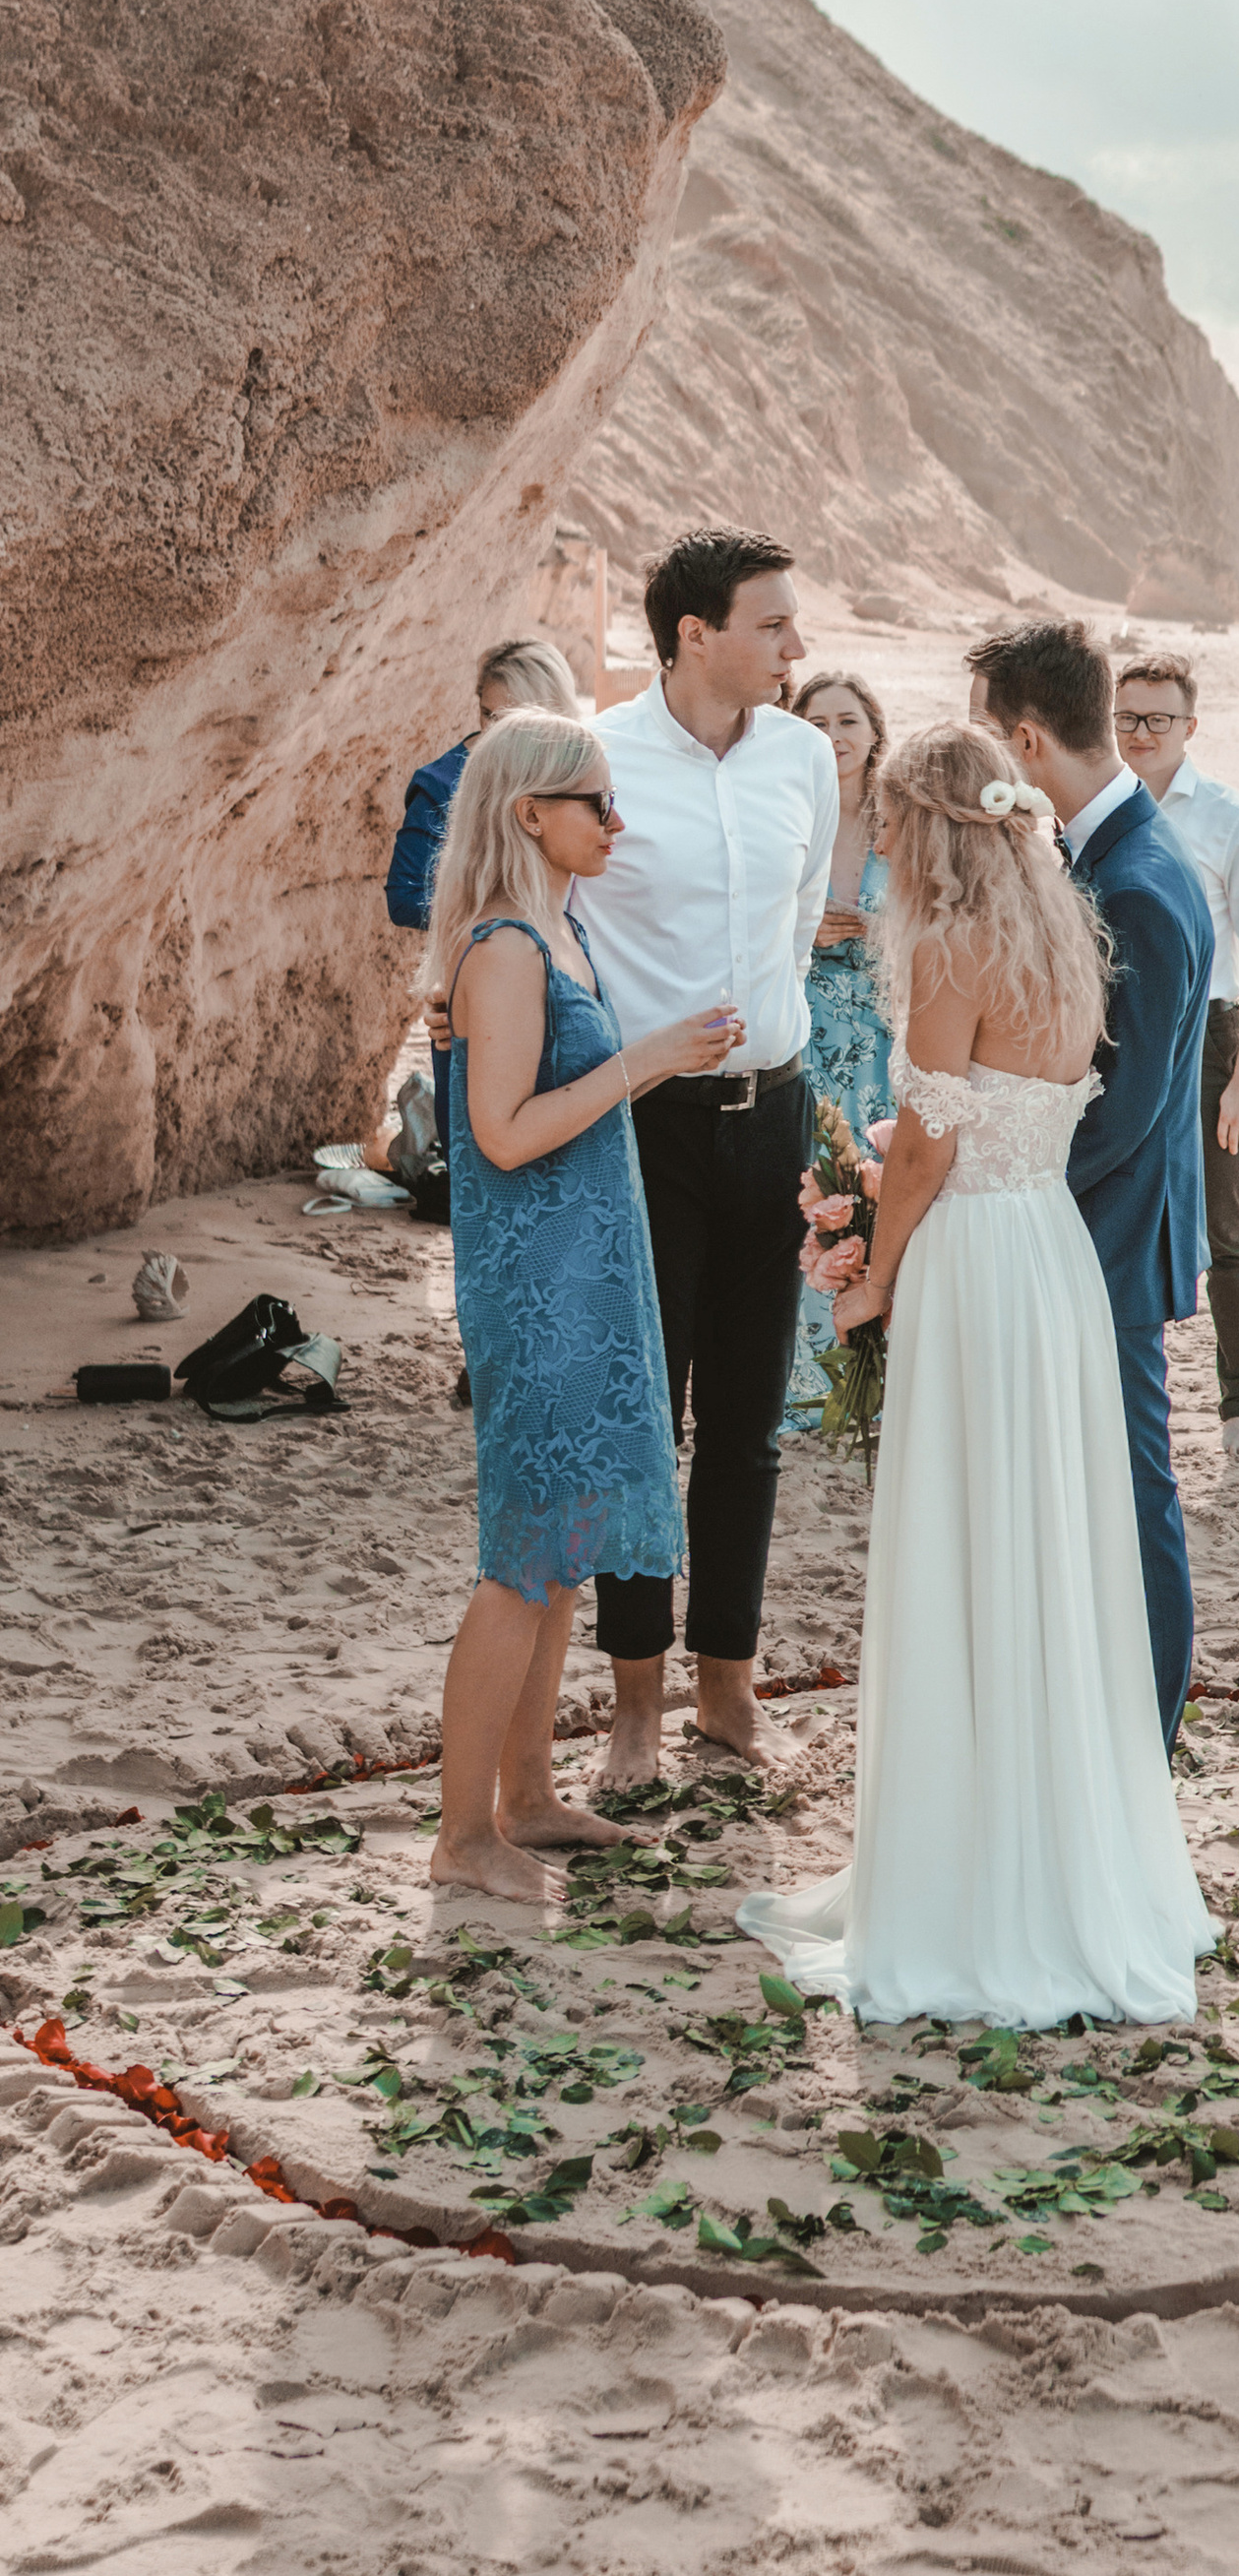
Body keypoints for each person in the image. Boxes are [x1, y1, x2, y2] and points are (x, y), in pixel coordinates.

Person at [737, 723, 1212, 2024]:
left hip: (973, 1269)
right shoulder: (1064, 933)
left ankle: (970, 1890)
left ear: (932, 825)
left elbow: (934, 1150)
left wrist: (871, 1272)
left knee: (966, 1546)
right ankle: (1062, 1857)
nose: (876, 839)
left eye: (888, 817)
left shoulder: (951, 946)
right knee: (1043, 1550)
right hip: (1049, 1258)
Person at [427, 710, 738, 1904]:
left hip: (591, 1273)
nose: (619, 823)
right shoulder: (507, 947)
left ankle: (530, 1797)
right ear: (529, 816)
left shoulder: (556, 932)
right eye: (596, 805)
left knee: (565, 1552)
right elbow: (502, 1136)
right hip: (539, 1287)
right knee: (522, 1558)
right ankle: (463, 1838)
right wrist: (647, 1060)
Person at [965, 619, 1211, 1744]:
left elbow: (1135, 1100)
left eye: (990, 737)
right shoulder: (1107, 853)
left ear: (1026, 734)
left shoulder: (1142, 885)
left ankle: (1147, 1733)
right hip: (1087, 1221)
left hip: (1107, 1231)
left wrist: (998, 1171)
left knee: (1130, 1482)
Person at [1115, 651, 1239, 1463]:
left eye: (1159, 718)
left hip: (1208, 1039)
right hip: (1110, 1032)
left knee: (1223, 1221)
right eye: (1127, 717)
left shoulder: (1234, 819)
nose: (1141, 732)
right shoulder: (1086, 811)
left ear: (1191, 726)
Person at [386, 634, 580, 1164]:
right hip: (483, 1006)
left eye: (518, 718)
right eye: (492, 717)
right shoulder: (444, 781)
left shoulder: (581, 781)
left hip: (574, 1008)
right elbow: (404, 896)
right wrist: (497, 921)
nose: (503, 735)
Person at [782, 666, 895, 1432]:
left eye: (848, 721)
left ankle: (882, 1382)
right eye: (817, 723)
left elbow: (941, 924)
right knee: (815, 1199)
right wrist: (805, 929)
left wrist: (878, 932)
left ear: (874, 732)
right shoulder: (787, 817)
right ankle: (811, 1384)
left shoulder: (906, 822)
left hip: (887, 1034)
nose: (834, 737)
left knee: (887, 1199)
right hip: (812, 1034)